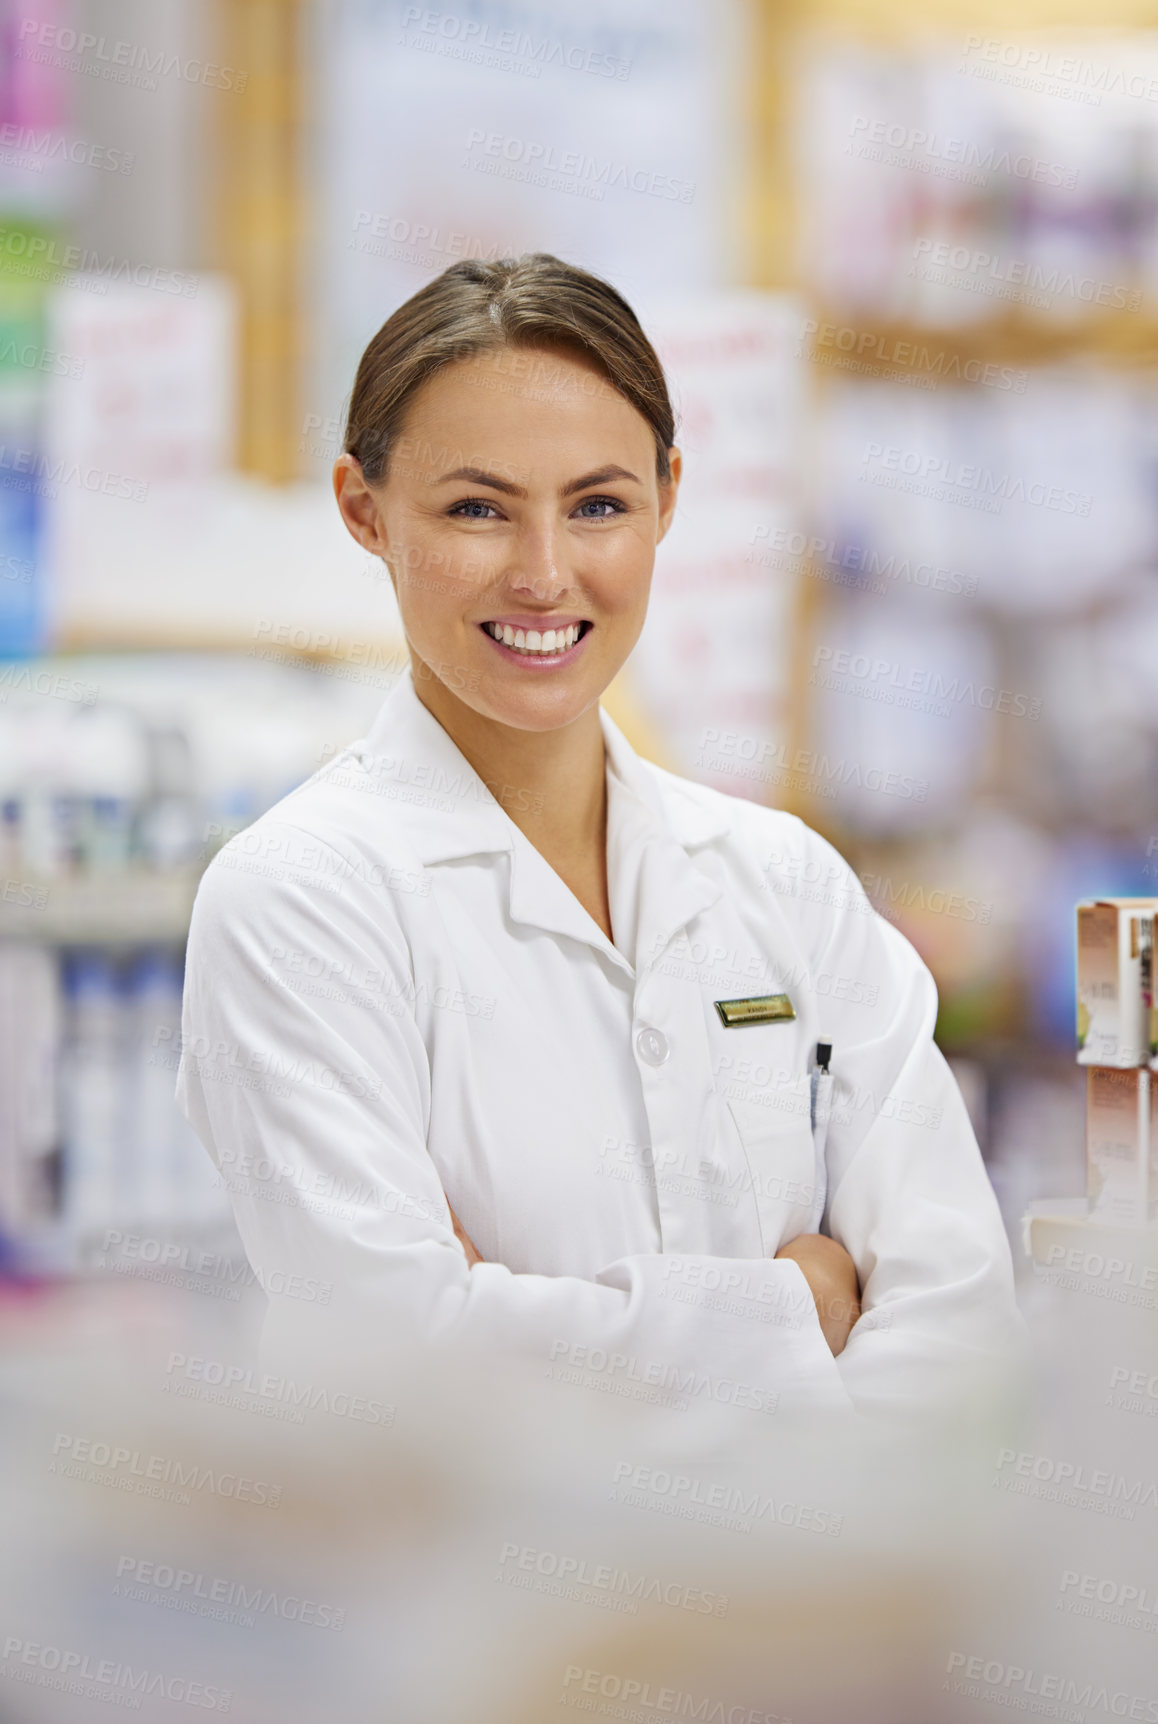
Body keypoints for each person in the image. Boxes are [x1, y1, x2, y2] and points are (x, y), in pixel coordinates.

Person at [176, 253, 1020, 1418]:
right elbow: (397, 1357)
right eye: (476, 508)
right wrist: (796, 1306)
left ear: (670, 496)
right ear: (364, 511)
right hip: (468, 1597)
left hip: (811, 1594)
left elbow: (959, 1317)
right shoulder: (300, 897)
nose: (543, 573)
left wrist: (525, 1323)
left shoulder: (783, 881)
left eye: (599, 505)